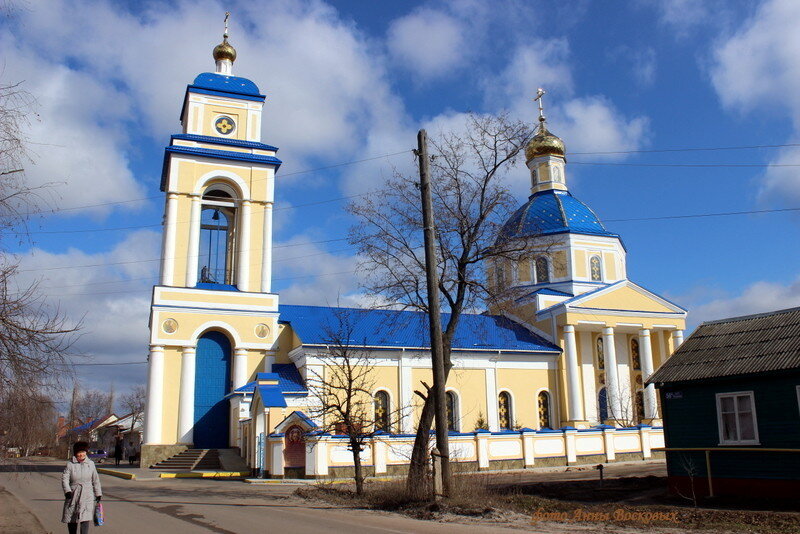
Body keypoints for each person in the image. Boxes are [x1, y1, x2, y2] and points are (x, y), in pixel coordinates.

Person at [62, 441, 102, 534]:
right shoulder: (70, 465)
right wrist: (67, 491)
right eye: (79, 452)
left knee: (85, 518)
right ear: (75, 453)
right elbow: (65, 479)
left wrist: (98, 493)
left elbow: (95, 480)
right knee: (72, 518)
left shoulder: (90, 464)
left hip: (87, 494)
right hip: (73, 495)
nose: (81, 454)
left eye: (83, 452)